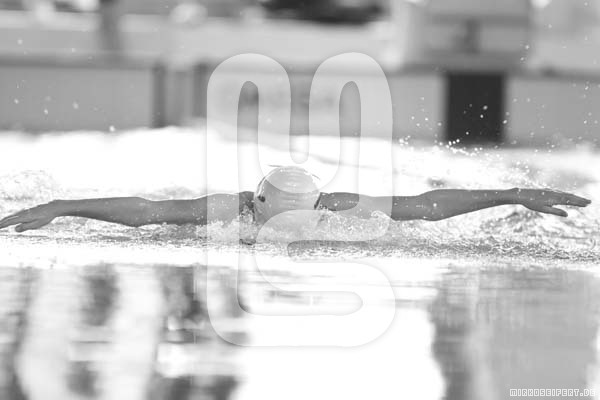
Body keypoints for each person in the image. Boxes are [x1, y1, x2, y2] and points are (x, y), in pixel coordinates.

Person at [0, 166, 591, 233]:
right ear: (256, 207)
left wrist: (512, 194)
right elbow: (147, 213)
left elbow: (428, 205)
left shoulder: (340, 207)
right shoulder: (228, 209)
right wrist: (62, 206)